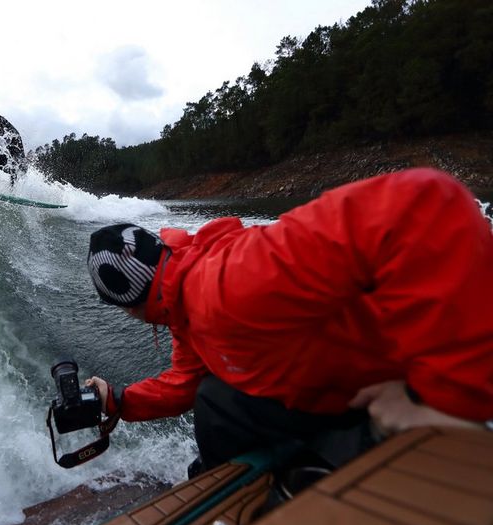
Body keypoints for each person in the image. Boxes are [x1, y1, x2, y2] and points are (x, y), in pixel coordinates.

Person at [84, 168, 493, 477]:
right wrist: (119, 401)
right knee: (213, 398)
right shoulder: (183, 304)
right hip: (335, 393)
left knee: (215, 402)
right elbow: (185, 382)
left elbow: (422, 203)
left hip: (397, 391)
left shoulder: (228, 283)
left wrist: (445, 402)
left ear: (127, 303)